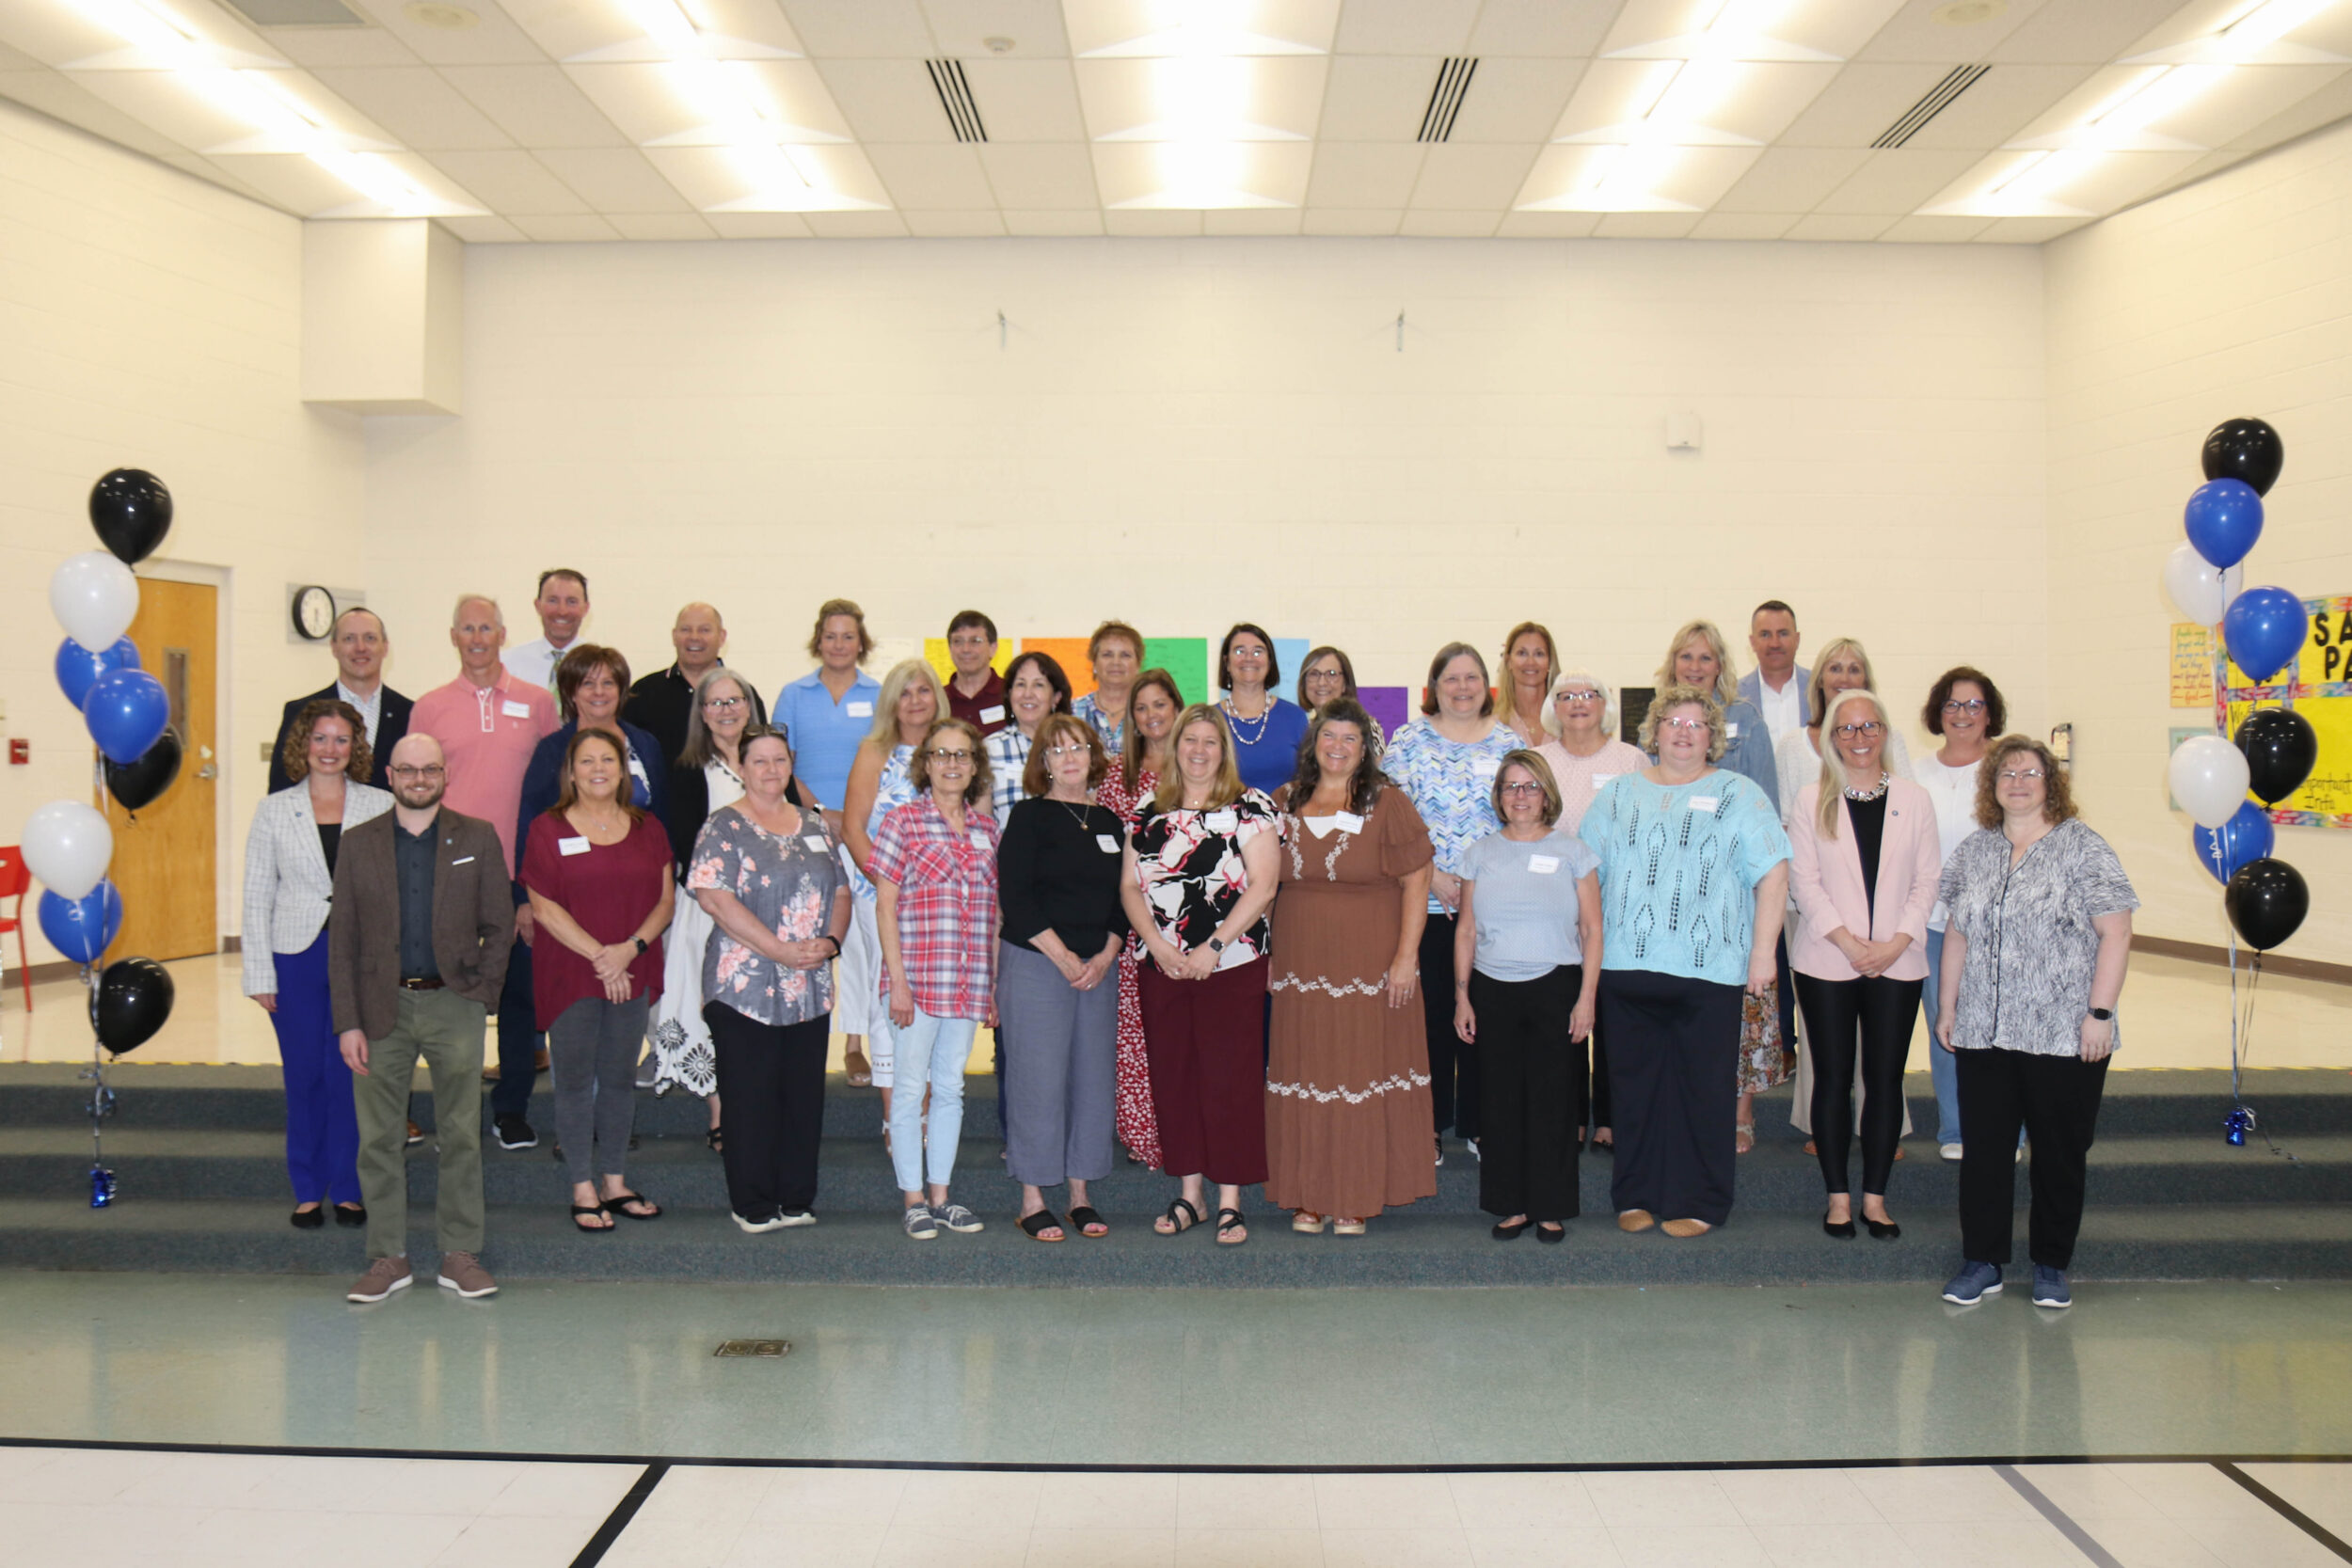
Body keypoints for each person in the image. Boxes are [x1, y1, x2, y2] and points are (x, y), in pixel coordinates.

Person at [1580, 684, 1788, 1240]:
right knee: (1633, 1089)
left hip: (1713, 971)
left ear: (1713, 737)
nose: (1683, 732)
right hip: (1626, 969)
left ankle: (1701, 1199)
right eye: (1674, 720)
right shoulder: (1618, 795)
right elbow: (1585, 876)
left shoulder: (1740, 795)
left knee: (1703, 1090)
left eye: (1697, 724)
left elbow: (1773, 873)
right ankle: (1637, 1193)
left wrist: (1763, 954)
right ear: (1654, 730)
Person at [1936, 736, 2136, 1310]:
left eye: (2030, 772)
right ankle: (1983, 1261)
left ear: (2052, 783)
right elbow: (1956, 933)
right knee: (1986, 1154)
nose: (2018, 782)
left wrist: (2099, 1013)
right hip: (1984, 1031)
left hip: (2063, 1034)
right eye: (2006, 774)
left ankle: (2051, 1263)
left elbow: (2116, 933)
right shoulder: (1975, 851)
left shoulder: (2083, 849)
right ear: (1991, 786)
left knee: (2058, 1152)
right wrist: (1948, 1008)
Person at [329, 734, 513, 1304]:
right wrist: (347, 1022)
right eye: (407, 770)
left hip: (452, 1001)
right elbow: (344, 938)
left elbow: (500, 924)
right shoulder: (358, 844)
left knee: (460, 1132)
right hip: (379, 1005)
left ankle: (460, 1255)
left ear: (443, 774)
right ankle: (388, 1257)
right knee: (378, 1138)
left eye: (428, 769)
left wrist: (481, 993)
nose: (418, 779)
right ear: (390, 774)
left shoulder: (477, 838)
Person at [1264, 698, 1435, 1236]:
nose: (1337, 747)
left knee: (1358, 1073)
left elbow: (1418, 880)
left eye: (1350, 739)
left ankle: (1353, 1197)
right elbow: (1264, 885)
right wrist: (1266, 955)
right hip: (1299, 964)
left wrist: (1406, 959)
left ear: (1365, 751)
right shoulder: (1285, 802)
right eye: (1328, 737)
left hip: (1370, 965)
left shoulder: (1387, 802)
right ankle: (1308, 1195)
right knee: (1306, 1072)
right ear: (1314, 744)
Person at [1120, 705, 1280, 1246]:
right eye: (1190, 739)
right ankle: (1191, 1194)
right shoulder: (1147, 809)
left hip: (1231, 964)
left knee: (1229, 1080)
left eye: (1210, 741)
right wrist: (1160, 946)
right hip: (1162, 965)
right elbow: (1128, 887)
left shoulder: (1251, 808)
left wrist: (1214, 945)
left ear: (1224, 750)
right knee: (1177, 1076)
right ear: (1176, 745)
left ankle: (1231, 1200)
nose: (1198, 750)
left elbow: (1263, 887)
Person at [1788, 689, 1939, 1243]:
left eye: (1869, 727)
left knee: (1883, 1080)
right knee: (1831, 1080)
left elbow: (1927, 881)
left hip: (1899, 961)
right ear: (1831, 737)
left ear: (1884, 732)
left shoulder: (1914, 799)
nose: (1859, 738)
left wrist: (1896, 941)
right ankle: (1838, 1198)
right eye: (1847, 729)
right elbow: (1805, 882)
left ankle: (1875, 1198)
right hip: (1828, 958)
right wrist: (1853, 945)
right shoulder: (1811, 799)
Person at [409, 595, 559, 1152]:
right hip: (448, 873)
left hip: (518, 873)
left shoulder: (537, 702)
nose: (477, 637)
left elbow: (548, 790)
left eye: (486, 628)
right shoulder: (429, 708)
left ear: (502, 635)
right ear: (454, 637)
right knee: (451, 997)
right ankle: (453, 1113)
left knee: (520, 996)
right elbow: (416, 793)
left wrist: (534, 881)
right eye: (467, 629)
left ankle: (511, 1108)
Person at [687, 724, 850, 1232]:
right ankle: (753, 1203)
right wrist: (779, 950)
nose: (771, 770)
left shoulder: (815, 825)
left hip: (809, 986)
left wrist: (831, 943)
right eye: (759, 761)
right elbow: (714, 896)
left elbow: (841, 892)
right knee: (750, 1098)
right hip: (744, 988)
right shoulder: (723, 827)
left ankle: (797, 1199)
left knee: (802, 1099)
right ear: (741, 768)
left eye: (780, 760)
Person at [243, 699, 393, 1228]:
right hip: (297, 958)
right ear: (302, 744)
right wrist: (259, 974)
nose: (330, 750)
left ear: (356, 748)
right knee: (304, 1075)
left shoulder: (380, 804)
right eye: (320, 739)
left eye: (341, 740)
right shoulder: (275, 809)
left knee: (351, 1074)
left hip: (362, 961)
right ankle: (307, 1188)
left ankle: (349, 1187)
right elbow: (257, 894)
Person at [519, 729, 674, 1233]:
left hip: (633, 968)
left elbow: (666, 901)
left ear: (624, 769)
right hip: (572, 971)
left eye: (609, 759)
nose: (598, 768)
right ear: (571, 772)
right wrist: (600, 957)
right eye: (587, 761)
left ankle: (614, 1181)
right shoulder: (547, 828)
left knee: (618, 1079)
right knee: (574, 1080)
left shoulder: (649, 827)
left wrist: (628, 950)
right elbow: (542, 906)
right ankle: (582, 1186)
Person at [1453, 751, 1600, 1242]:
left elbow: (1592, 929)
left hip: (1555, 986)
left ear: (1547, 795)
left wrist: (1586, 999)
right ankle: (1510, 1204)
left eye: (1530, 786)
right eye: (1512, 786)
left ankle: (1551, 1205)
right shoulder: (1479, 853)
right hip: (1491, 989)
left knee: (1553, 1103)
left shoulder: (1573, 851)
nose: (1521, 796)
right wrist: (1462, 996)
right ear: (1498, 796)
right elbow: (1467, 930)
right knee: (1500, 1102)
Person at [1774, 637, 1914, 1154]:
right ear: (1819, 681)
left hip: (1885, 911)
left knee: (1881, 1038)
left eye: (1855, 667)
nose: (1844, 675)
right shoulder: (1794, 744)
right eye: (1834, 667)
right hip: (1813, 910)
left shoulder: (1886, 738)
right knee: (1822, 1036)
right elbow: (1789, 818)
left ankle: (1882, 1125)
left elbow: (1908, 813)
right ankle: (1823, 1123)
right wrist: (1824, 913)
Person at [1383, 642, 1518, 1164]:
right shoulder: (1408, 742)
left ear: (1487, 686)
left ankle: (1480, 1123)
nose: (1462, 688)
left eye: (1471, 678)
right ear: (1433, 688)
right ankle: (1432, 1123)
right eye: (1451, 679)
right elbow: (1388, 823)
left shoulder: (1509, 742)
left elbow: (1522, 817)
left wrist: (1480, 884)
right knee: (1433, 1017)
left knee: (1487, 1017)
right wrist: (1434, 876)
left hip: (1493, 905)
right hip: (1427, 904)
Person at [656, 669, 803, 1142]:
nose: (726, 710)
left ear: (749, 705)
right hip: (710, 908)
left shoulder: (769, 759)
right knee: (713, 1009)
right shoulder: (685, 770)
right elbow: (680, 841)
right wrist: (722, 896)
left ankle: (762, 1108)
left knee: (764, 1010)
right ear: (701, 713)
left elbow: (795, 824)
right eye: (715, 703)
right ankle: (722, 1114)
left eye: (734, 700)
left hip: (772, 911)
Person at [868, 718, 1001, 1241]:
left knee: (950, 1089)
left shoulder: (988, 831)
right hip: (917, 981)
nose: (952, 764)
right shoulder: (902, 821)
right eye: (942, 755)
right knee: (908, 1092)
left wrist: (989, 986)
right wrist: (896, 982)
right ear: (925, 764)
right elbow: (884, 903)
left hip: (966, 984)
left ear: (975, 767)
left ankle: (942, 1197)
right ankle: (913, 1200)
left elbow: (993, 913)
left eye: (962, 755)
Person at [994, 714, 1125, 1241]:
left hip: (1099, 970)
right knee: (1037, 1082)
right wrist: (1066, 958)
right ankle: (1031, 1199)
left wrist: (1104, 956)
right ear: (1042, 762)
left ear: (1093, 757)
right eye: (1057, 750)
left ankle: (1078, 1195)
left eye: (1078, 748)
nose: (1069, 758)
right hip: (1037, 965)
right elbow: (1016, 900)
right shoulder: (1028, 818)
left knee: (1091, 1082)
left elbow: (1125, 901)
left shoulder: (1112, 824)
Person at [1657, 618, 1784, 1148]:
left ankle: (1740, 1112)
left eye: (1706, 658)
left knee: (1739, 1004)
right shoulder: (1661, 718)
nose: (1695, 667)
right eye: (1686, 657)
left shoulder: (1745, 718)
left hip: (1734, 885)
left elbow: (1766, 802)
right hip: (1677, 891)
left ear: (1721, 666)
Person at [1534, 669, 1645, 1151]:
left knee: (1613, 1015)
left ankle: (1612, 1117)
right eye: (1566, 696)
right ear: (1552, 707)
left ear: (1606, 704)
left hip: (1617, 902)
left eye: (1589, 694)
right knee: (1565, 1014)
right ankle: (1573, 1114)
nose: (1578, 703)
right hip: (1551, 905)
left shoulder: (1631, 759)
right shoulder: (1537, 760)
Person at [842, 658, 945, 1108]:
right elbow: (853, 827)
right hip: (879, 895)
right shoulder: (874, 750)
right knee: (889, 995)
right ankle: (894, 1113)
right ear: (891, 703)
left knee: (933, 1003)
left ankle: (925, 1103)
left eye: (923, 690)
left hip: (940, 903)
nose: (915, 701)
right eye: (905, 693)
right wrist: (888, 884)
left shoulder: (952, 748)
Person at [1915, 666, 2008, 1162]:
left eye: (1974, 705)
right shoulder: (1916, 772)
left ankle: (2004, 1135)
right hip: (1932, 923)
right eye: (1952, 705)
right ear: (1938, 713)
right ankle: (1954, 1130)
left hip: (1996, 927)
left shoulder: (2008, 767)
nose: (1963, 715)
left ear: (1989, 713)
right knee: (1945, 1026)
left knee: (1997, 1033)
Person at [1096, 667, 1184, 1171]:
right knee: (1135, 1034)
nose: (1151, 716)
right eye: (1141, 708)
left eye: (1159, 705)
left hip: (1188, 926)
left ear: (1177, 706)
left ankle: (1181, 1132)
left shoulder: (1197, 764)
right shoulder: (1115, 775)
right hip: (1133, 927)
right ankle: (1142, 1135)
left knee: (1178, 1033)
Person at [267, 607, 411, 791]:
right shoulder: (300, 711)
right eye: (349, 639)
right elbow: (281, 788)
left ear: (385, 647)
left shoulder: (410, 713)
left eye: (370, 638)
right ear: (334, 648)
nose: (360, 648)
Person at [775, 597, 880, 822]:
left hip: (866, 824)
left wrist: (853, 821)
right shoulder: (792, 695)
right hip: (804, 821)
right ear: (819, 642)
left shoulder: (880, 696)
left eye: (848, 637)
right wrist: (821, 812)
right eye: (830, 637)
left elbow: (888, 770)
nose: (839, 646)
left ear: (861, 643)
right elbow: (779, 767)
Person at [622, 601, 728, 768]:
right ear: (674, 636)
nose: (694, 637)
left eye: (704, 630)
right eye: (686, 629)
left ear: (722, 637)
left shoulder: (741, 696)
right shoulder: (642, 692)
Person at [1217, 622, 1309, 797]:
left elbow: (1311, 781)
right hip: (1224, 821)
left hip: (1285, 821)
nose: (1249, 658)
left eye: (1258, 651)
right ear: (1227, 662)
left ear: (1269, 662)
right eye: (1239, 651)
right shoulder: (1210, 720)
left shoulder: (1295, 718)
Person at [986, 650, 1075, 818]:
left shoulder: (1078, 745)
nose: (1028, 694)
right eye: (1020, 684)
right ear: (1009, 694)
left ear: (1056, 697)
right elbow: (982, 818)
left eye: (1038, 685)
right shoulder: (989, 748)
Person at [502, 569, 590, 693]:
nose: (562, 611)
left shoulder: (602, 668)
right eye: (553, 601)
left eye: (571, 602)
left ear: (585, 608)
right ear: (538, 606)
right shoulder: (507, 666)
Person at [1740, 599, 1810, 746]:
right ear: (1752, 642)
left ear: (1797, 640)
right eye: (1765, 635)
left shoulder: (1819, 689)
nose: (1775, 643)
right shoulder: (1733, 696)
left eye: (1783, 634)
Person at [1073, 620, 1143, 754]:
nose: (1116, 662)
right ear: (1093, 664)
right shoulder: (1072, 713)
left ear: (1138, 665)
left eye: (1125, 655)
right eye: (1107, 655)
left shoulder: (1150, 715)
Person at [1296, 645, 1382, 748]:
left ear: (1345, 684)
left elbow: (1376, 763)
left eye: (1331, 674)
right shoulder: (1300, 727)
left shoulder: (1365, 726)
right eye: (1314, 674)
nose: (1322, 682)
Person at [944, 610, 1010, 736]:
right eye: (958, 641)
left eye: (975, 641)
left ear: (993, 648)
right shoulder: (938, 700)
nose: (966, 649)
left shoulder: (1011, 695)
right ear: (950, 649)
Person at [1493, 622, 1558, 749]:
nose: (1530, 662)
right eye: (1522, 653)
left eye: (1539, 654)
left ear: (1550, 662)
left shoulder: (1566, 720)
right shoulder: (1494, 725)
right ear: (1508, 662)